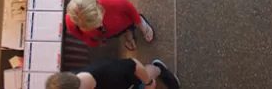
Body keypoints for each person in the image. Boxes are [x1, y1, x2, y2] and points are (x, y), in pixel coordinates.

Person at [65, 0, 154, 51]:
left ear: (98, 5)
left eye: (99, 20)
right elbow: (82, 37)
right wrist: (94, 43)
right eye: (94, 25)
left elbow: (129, 7)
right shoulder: (71, 23)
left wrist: (138, 22)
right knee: (119, 33)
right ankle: (128, 34)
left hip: (124, 21)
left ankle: (141, 23)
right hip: (109, 32)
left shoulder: (107, 1)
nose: (100, 25)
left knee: (131, 23)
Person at [45, 58, 180, 89]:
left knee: (148, 75)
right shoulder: (71, 81)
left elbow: (133, 64)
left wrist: (148, 82)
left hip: (129, 79)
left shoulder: (108, 70)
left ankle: (158, 68)